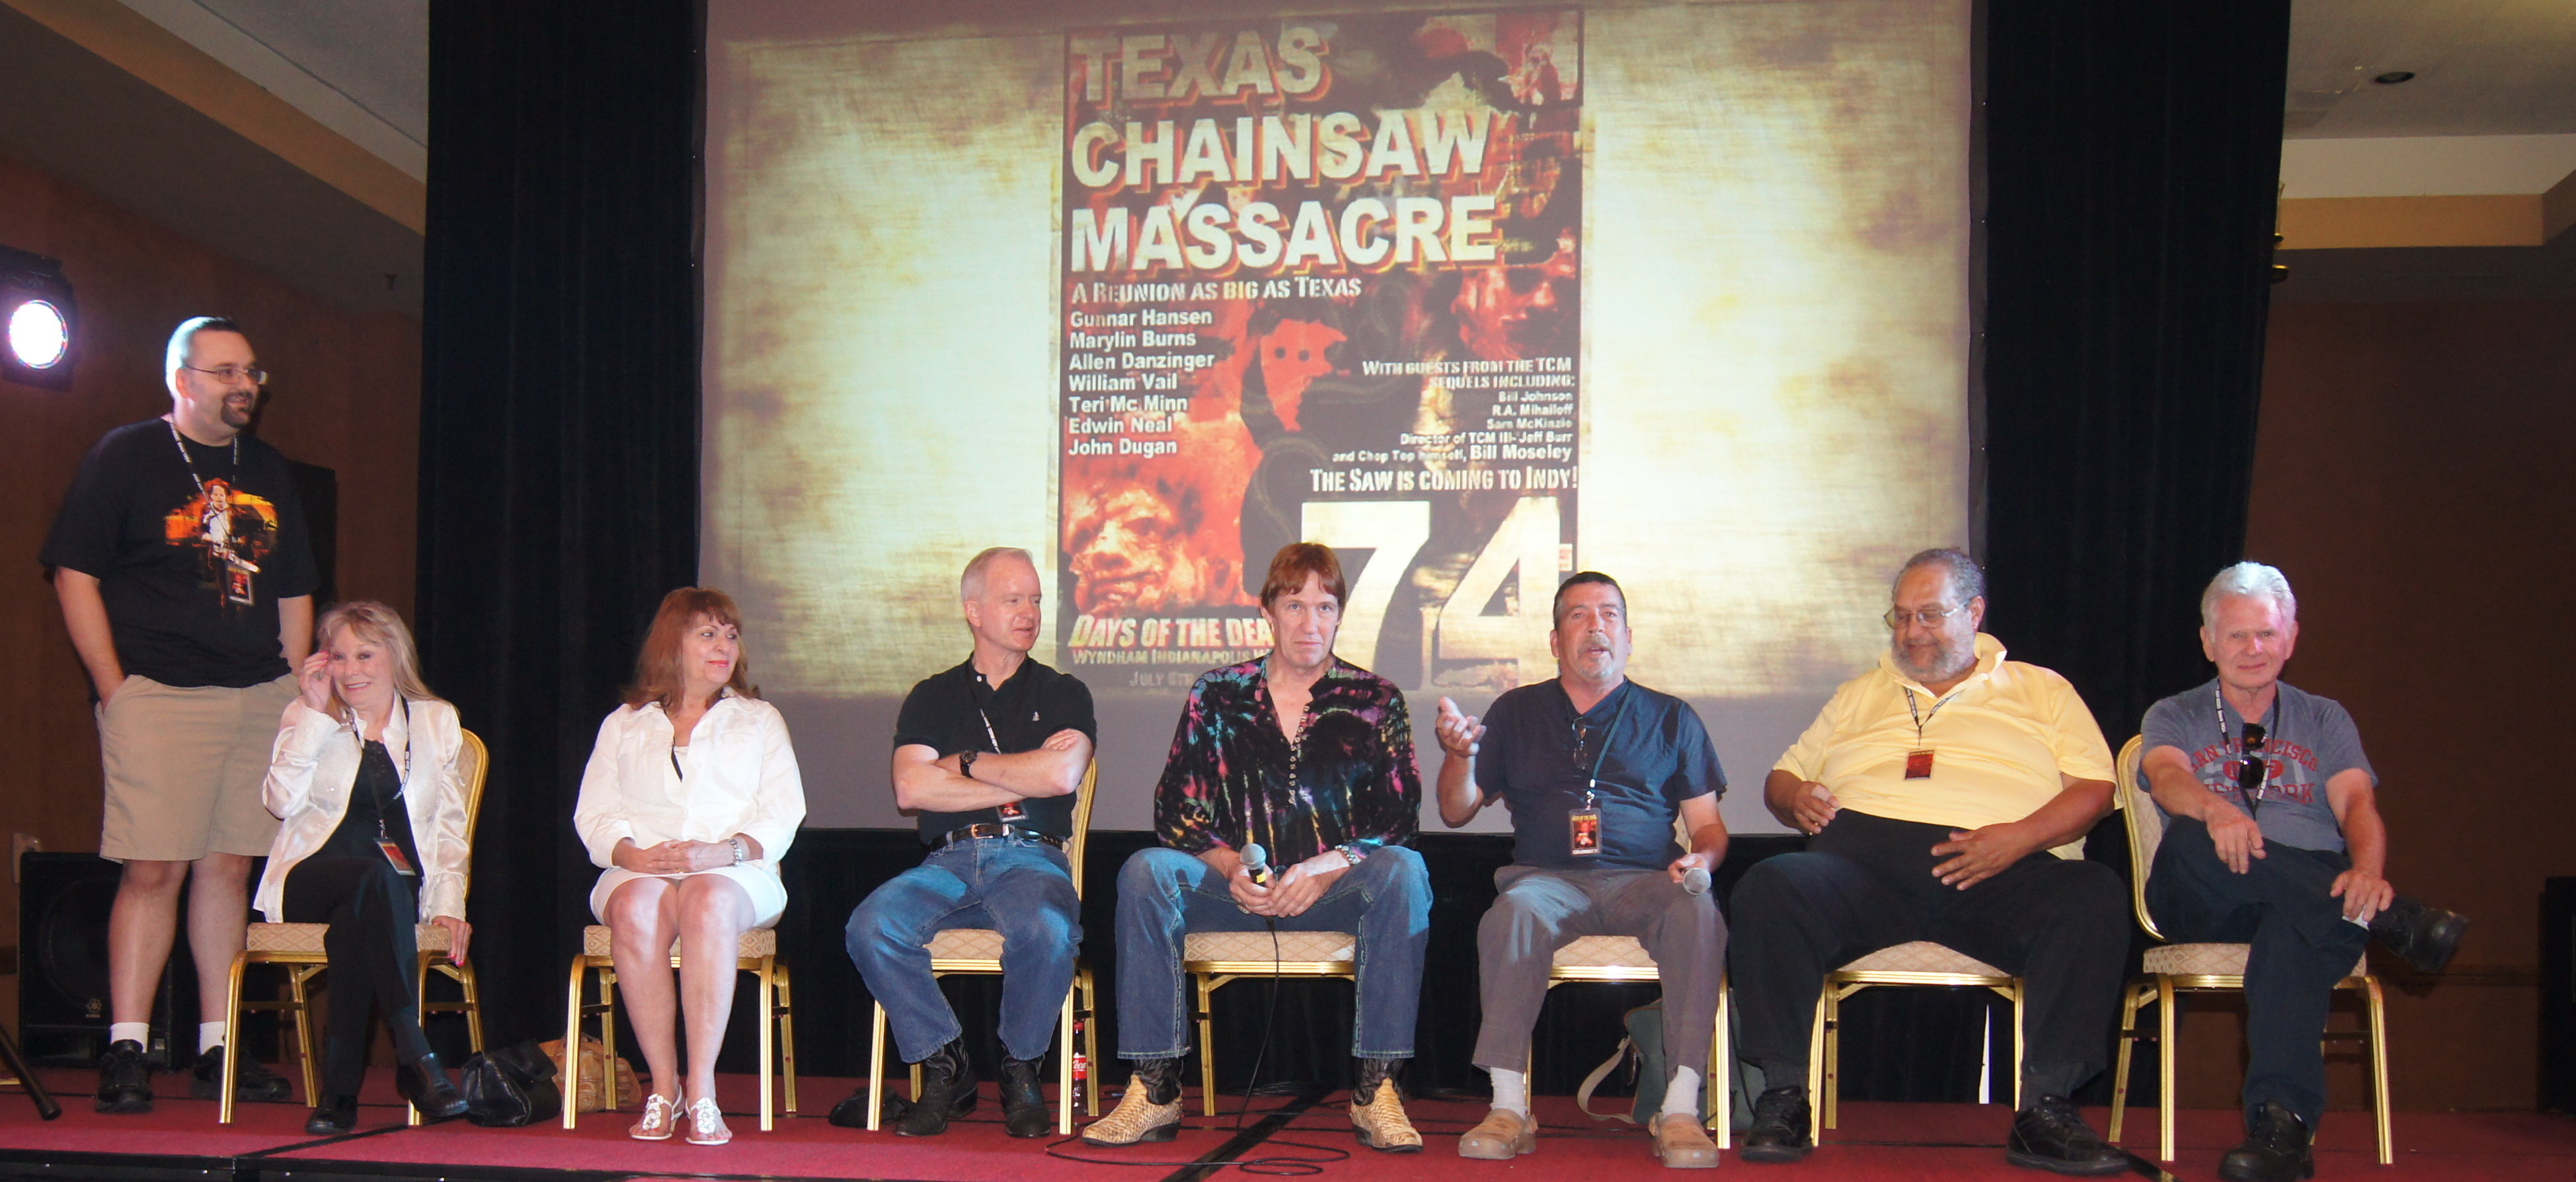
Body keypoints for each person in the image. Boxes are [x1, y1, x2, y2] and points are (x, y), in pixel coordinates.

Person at [1731, 548, 2131, 1175]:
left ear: (1974, 612)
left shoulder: (2041, 688)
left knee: (2091, 894)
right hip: (1861, 871)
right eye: (1900, 618)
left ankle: (2045, 1110)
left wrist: (2021, 838)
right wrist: (1794, 798)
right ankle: (1783, 1096)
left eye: (1929, 615)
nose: (1911, 633)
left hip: (1999, 869)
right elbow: (1783, 777)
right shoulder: (1859, 693)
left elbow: (2094, 789)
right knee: (1772, 884)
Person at [42, 316, 314, 1113]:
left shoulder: (268, 468)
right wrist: (114, 685)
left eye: (252, 372)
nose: (244, 385)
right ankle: (127, 1045)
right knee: (153, 867)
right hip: (158, 694)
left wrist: (298, 690)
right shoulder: (126, 455)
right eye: (226, 371)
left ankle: (218, 1047)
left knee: (229, 867)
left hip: (259, 692)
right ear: (182, 380)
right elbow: (72, 571)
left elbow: (296, 590)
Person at [1082, 543, 1432, 1152]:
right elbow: (1174, 809)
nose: (1309, 622)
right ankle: (1155, 1090)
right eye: (1294, 605)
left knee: (1404, 869)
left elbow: (1398, 819)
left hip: (1337, 893)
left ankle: (1377, 1089)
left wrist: (1326, 870)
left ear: (1340, 615)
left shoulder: (1376, 701)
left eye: (1324, 607)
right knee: (1145, 871)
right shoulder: (1217, 693)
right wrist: (1225, 865)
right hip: (1233, 890)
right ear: (1267, 611)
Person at [2138, 563, 2467, 1182]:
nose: (2252, 649)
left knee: (2296, 927)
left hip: (2315, 889)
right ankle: (2394, 922)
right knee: (2187, 840)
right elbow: (2166, 777)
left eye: (2266, 634)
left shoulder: (2324, 718)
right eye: (2235, 636)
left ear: (2290, 638)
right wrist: (2218, 811)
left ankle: (2281, 1132)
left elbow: (2356, 805)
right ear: (2208, 642)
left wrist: (2367, 872)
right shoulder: (2173, 712)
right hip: (2204, 889)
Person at [1435, 572, 1730, 1168]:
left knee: (1698, 913)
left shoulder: (1671, 717)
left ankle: (1678, 1108)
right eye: (1577, 615)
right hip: (1546, 880)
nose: (1595, 625)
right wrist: (1458, 755)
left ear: (1627, 637)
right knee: (1510, 914)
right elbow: (1455, 809)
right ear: (1554, 640)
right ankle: (1508, 1106)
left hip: (1646, 879)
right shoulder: (1515, 712)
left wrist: (1702, 857)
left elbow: (1708, 827)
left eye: (1609, 614)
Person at [834, 548, 1096, 1138]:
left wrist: (967, 765)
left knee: (1048, 932)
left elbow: (1058, 777)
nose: (1029, 612)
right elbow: (910, 789)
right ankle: (945, 1063)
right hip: (949, 858)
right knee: (871, 926)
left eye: (1034, 599)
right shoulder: (933, 695)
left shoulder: (1064, 692)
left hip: (1032, 856)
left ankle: (1020, 1067)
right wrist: (1011, 780)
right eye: (1013, 600)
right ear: (973, 611)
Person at [572, 588, 806, 1146]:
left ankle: (702, 1089)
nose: (723, 646)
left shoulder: (759, 719)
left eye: (729, 634)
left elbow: (783, 813)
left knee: (707, 897)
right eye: (707, 634)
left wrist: (720, 853)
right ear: (671, 645)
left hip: (738, 870)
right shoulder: (625, 724)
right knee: (633, 904)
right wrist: (633, 855)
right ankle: (663, 1086)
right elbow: (594, 814)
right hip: (641, 867)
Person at [255, 602, 472, 1132]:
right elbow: (279, 802)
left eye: (365, 655)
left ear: (395, 656)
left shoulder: (435, 719)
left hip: (391, 892)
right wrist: (312, 714)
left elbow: (450, 827)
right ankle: (415, 1054)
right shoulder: (310, 715)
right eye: (339, 656)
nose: (351, 670)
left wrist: (448, 904)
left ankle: (338, 1094)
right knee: (371, 882)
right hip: (313, 876)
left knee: (363, 915)